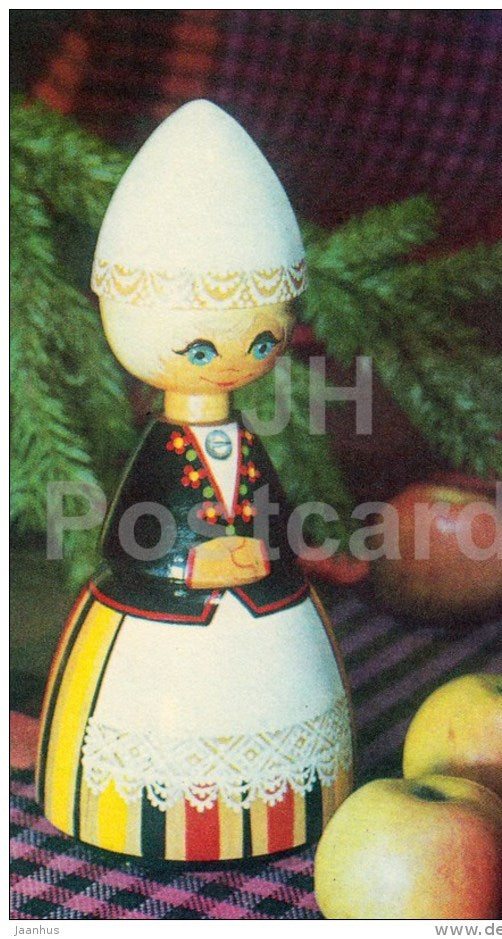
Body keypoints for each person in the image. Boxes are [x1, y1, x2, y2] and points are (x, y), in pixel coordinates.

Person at [36, 100, 354, 861]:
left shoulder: (246, 445)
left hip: (262, 617)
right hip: (164, 635)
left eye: (263, 340)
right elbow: (134, 533)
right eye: (201, 349)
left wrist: (262, 551)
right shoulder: (160, 451)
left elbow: (269, 517)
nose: (233, 359)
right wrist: (187, 563)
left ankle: (287, 803)